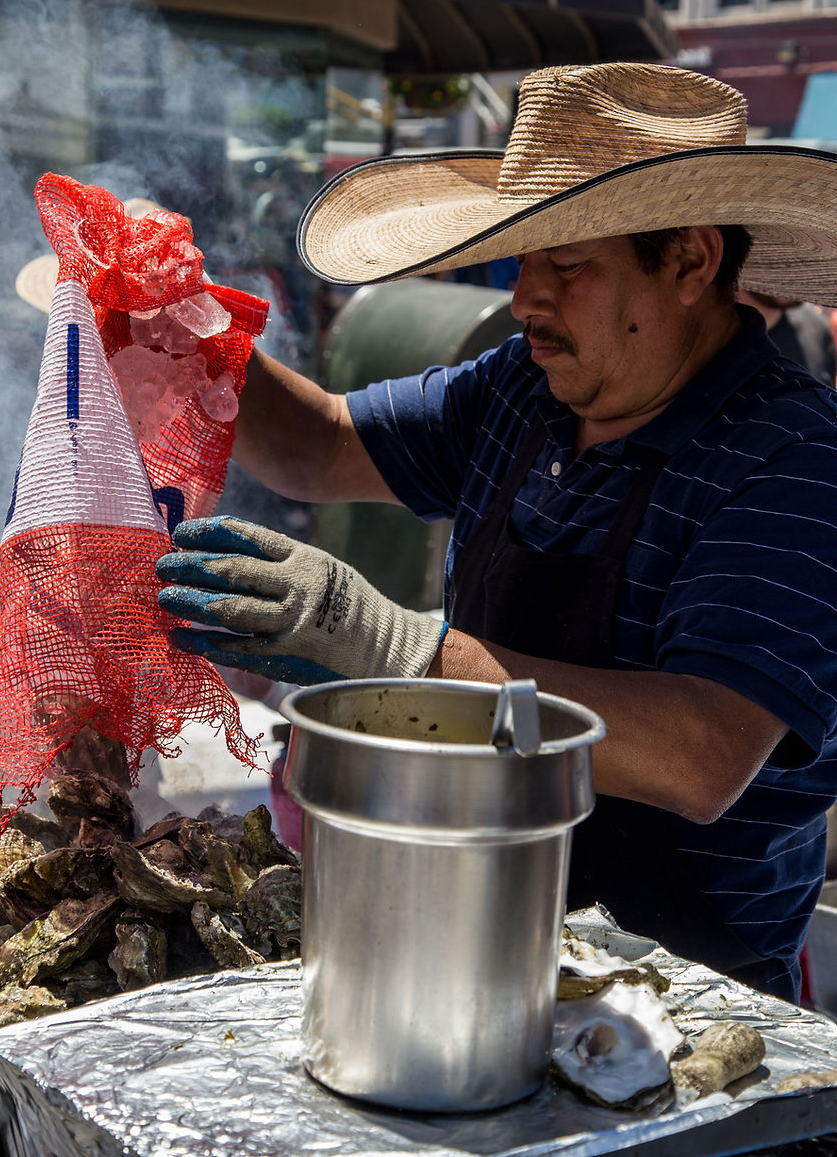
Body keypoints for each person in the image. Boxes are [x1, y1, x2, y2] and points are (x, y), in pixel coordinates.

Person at [155, 62, 837, 1003]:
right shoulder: (523, 387)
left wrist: (393, 644)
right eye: (522, 260)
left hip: (684, 998)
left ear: (689, 260)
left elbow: (698, 755)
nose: (523, 300)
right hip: (476, 941)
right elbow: (319, 448)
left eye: (567, 264)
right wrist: (179, 323)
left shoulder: (795, 456)